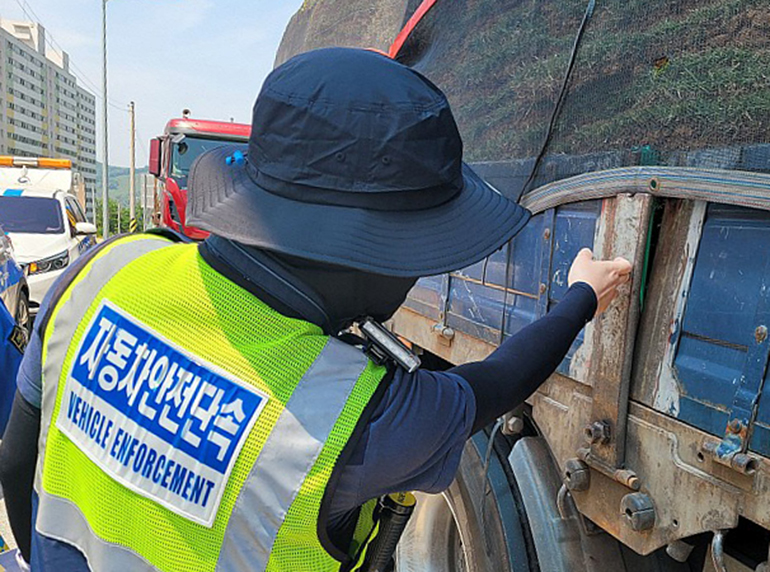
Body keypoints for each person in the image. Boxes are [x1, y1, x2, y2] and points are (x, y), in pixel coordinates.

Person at [0, 47, 631, 572]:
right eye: (421, 247)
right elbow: (493, 386)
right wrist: (582, 297)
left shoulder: (104, 270)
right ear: (370, 255)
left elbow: (15, 457)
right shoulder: (353, 416)